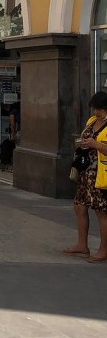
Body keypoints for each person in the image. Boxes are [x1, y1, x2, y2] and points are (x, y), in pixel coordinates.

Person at [65, 92, 107, 263]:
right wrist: (83, 143)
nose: (96, 112)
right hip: (85, 171)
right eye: (95, 109)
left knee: (101, 211)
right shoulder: (91, 121)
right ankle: (82, 245)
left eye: (100, 109)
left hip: (101, 173)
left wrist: (96, 144)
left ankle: (104, 249)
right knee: (79, 206)